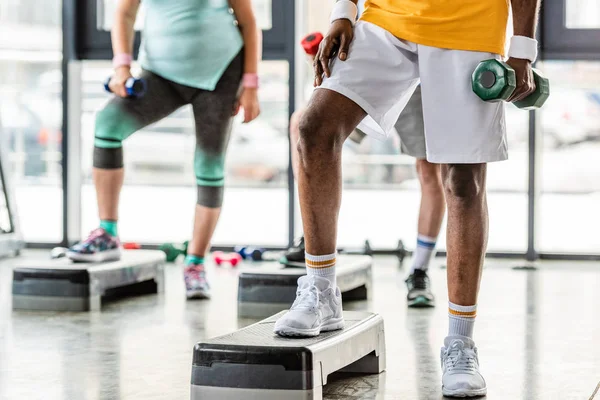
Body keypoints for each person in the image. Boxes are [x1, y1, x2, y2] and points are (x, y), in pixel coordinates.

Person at [275, 0, 540, 397]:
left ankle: (460, 341)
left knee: (463, 182)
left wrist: (521, 49)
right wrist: (343, 12)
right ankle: (321, 289)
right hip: (386, 18)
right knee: (314, 128)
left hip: (468, 25)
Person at [66, 0, 261, 301]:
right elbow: (125, 11)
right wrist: (121, 66)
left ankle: (195, 263)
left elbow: (248, 21)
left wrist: (250, 85)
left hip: (220, 72)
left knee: (209, 165)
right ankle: (107, 234)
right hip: (160, 73)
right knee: (107, 125)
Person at [286, 86, 445, 308]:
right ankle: (312, 239)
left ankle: (420, 271)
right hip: (381, 58)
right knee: (306, 126)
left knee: (429, 168)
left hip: (422, 64)